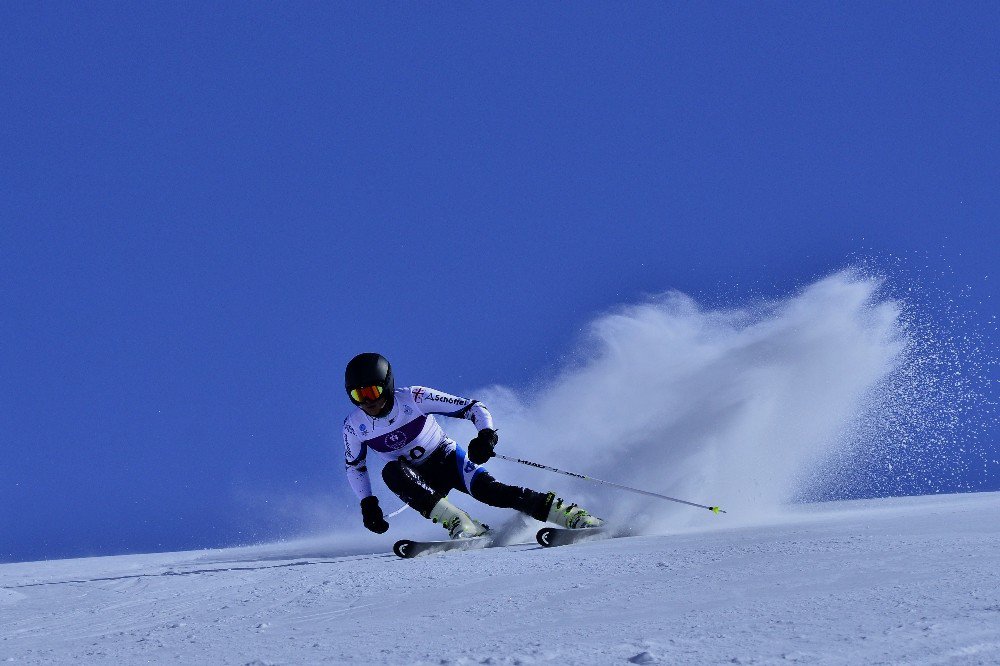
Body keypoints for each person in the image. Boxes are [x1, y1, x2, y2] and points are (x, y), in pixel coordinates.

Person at [342, 352, 604, 538]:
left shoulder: (414, 398)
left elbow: (472, 407)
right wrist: (367, 503)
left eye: (372, 392)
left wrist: (486, 436)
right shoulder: (354, 426)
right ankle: (461, 523)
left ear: (387, 386)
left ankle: (572, 516)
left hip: (446, 460)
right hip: (415, 477)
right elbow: (355, 466)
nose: (367, 402)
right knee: (391, 472)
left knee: (493, 493)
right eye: (358, 395)